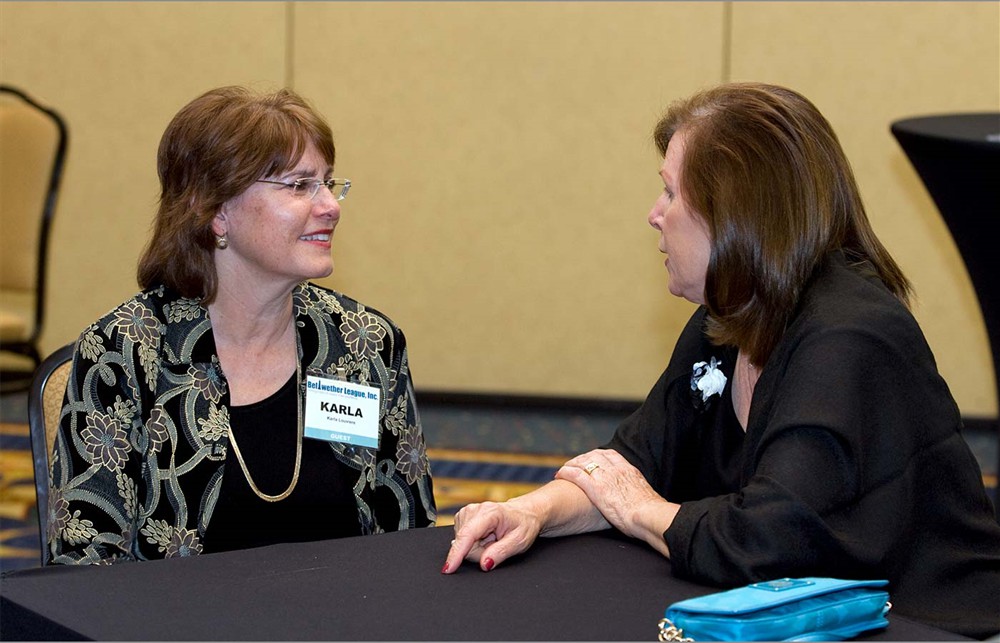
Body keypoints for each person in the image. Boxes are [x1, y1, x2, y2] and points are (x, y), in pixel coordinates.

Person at [442, 82, 1000, 638]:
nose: (654, 215)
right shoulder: (730, 317)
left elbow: (764, 541)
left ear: (735, 212)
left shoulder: (850, 338)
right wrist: (531, 512)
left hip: (928, 626)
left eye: (670, 193)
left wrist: (640, 511)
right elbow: (630, 465)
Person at [48, 86, 435, 564]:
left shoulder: (366, 343)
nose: (331, 206)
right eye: (298, 186)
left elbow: (409, 537)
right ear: (214, 210)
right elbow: (87, 564)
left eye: (328, 183)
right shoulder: (125, 353)